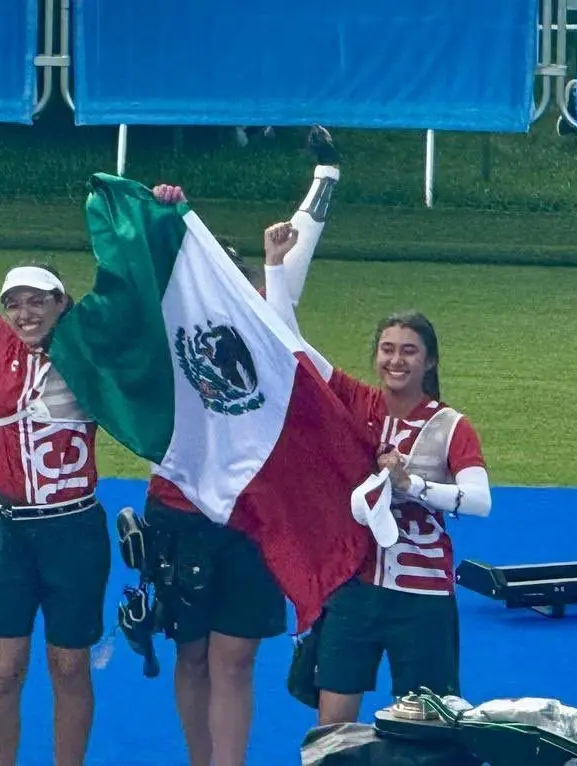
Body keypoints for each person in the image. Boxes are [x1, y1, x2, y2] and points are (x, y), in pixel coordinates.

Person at [137, 127, 342, 766]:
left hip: (253, 512)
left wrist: (327, 173)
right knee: (191, 653)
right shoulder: (158, 321)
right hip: (180, 506)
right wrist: (156, 212)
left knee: (235, 655)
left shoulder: (265, 314)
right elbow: (128, 269)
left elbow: (301, 238)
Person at [261, 225, 494, 724]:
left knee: (425, 730)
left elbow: (479, 500)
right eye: (387, 349)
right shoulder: (355, 402)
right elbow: (290, 344)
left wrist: (415, 486)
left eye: (409, 350)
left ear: (429, 360)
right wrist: (276, 266)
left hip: (423, 593)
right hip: (355, 584)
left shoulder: (450, 425)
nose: (395, 359)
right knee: (332, 724)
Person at [0, 166, 111, 766]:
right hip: (6, 528)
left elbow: (138, 299)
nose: (25, 313)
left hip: (73, 527)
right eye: (15, 304)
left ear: (63, 303)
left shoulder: (89, 345)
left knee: (70, 665)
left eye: (38, 301)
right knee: (3, 670)